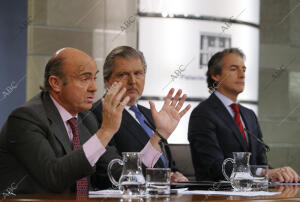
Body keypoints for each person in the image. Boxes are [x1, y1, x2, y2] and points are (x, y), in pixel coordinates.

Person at [0, 47, 187, 194]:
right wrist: (105, 132)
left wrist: (159, 135)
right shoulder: (25, 119)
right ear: (55, 83)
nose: (93, 88)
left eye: (94, 78)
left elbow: (121, 175)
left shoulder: (85, 120)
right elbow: (54, 177)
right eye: (84, 79)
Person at [188, 48, 300, 183]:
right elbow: (214, 166)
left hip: (253, 194)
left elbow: (261, 162)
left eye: (244, 70)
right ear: (215, 75)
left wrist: (279, 174)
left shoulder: (249, 115)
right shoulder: (202, 114)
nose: (242, 75)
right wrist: (263, 172)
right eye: (234, 69)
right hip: (218, 195)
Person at [92, 46, 191, 188]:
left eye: (138, 73)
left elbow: (166, 164)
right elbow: (114, 173)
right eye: (123, 74)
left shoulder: (149, 114)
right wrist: (161, 178)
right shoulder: (98, 113)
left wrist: (176, 175)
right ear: (108, 81)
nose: (132, 80)